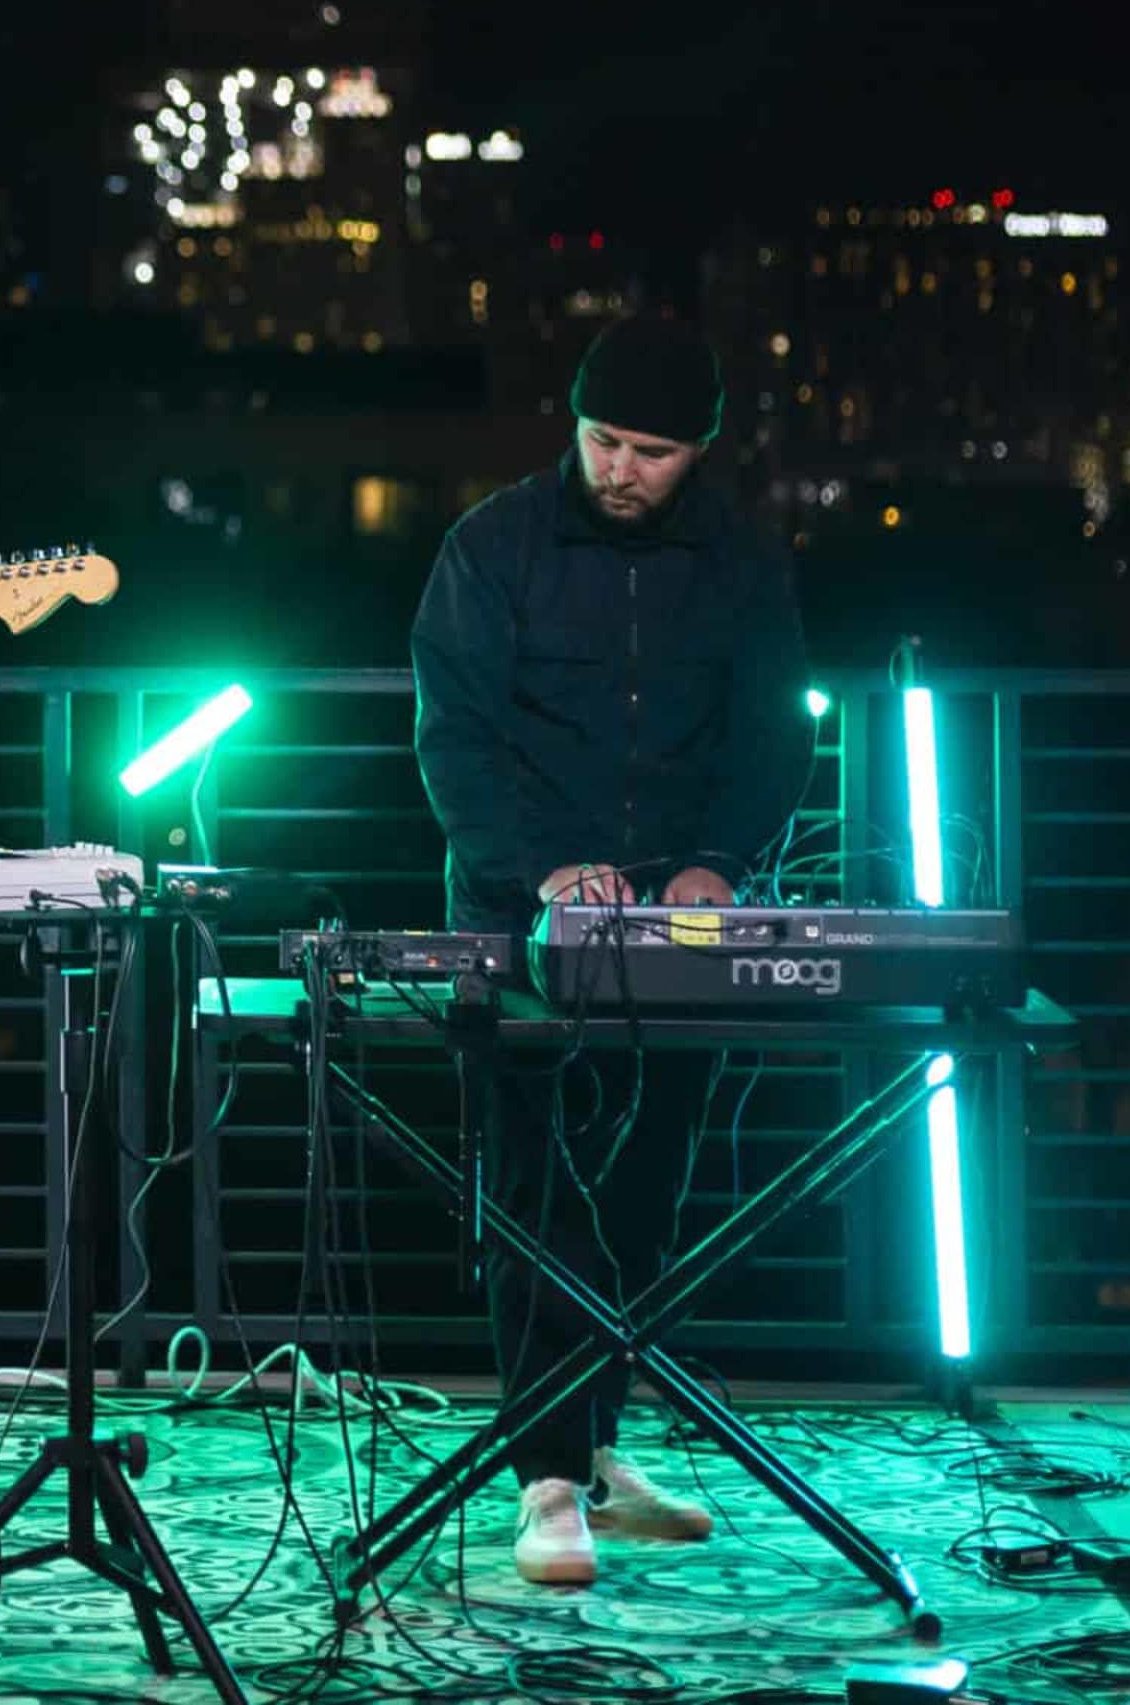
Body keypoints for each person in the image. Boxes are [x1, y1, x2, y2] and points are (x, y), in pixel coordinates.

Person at [409, 314, 808, 1587]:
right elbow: (454, 737)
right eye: (600, 440)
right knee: (531, 1189)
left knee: (650, 1183)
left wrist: (722, 861)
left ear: (700, 450)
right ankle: (545, 1481)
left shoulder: (745, 561)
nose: (620, 468)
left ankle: (590, 1442)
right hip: (516, 914)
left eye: (650, 450)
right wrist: (542, 869)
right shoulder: (493, 545)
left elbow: (772, 734)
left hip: (681, 917)